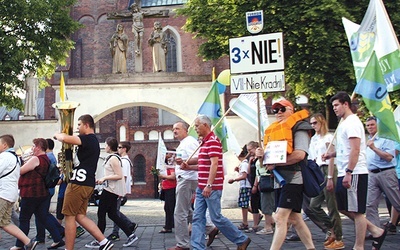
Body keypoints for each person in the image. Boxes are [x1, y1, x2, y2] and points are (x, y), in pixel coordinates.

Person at [322, 92, 386, 250]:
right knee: (343, 207)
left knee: (357, 211)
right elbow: (346, 149)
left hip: (355, 171)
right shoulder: (343, 123)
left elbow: (356, 150)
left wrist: (350, 172)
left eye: (337, 105)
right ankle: (376, 230)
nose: (334, 108)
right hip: (345, 170)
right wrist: (332, 154)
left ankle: (359, 246)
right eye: (333, 106)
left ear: (346, 104)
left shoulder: (352, 122)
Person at [256, 99, 315, 250]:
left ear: (292, 110)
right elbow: (266, 164)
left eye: (282, 109)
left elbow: (300, 155)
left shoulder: (300, 127)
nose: (279, 113)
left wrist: (276, 164)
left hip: (294, 177)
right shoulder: (275, 130)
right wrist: (262, 156)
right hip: (279, 179)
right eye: (275, 110)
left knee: (280, 217)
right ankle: (311, 248)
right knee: (296, 219)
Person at [187, 114, 251, 250]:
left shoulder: (213, 141)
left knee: (216, 218)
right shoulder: (204, 142)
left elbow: (214, 164)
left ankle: (242, 239)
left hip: (211, 188)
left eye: (197, 125)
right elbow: (203, 164)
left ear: (205, 125)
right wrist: (187, 165)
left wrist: (209, 185)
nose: (195, 128)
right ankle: (197, 247)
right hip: (201, 187)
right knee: (198, 218)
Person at [53, 114, 113, 250]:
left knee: (69, 216)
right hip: (86, 183)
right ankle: (104, 242)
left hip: (78, 183)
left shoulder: (88, 139)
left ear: (86, 125)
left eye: (79, 124)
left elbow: (64, 138)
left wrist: (58, 134)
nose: (77, 127)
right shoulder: (92, 141)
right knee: (80, 216)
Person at [85, 137, 138, 248]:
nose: (105, 147)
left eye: (106, 145)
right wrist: (103, 179)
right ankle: (130, 235)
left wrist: (104, 178)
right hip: (111, 188)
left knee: (101, 213)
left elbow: (119, 175)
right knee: (113, 214)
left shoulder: (113, 158)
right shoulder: (112, 158)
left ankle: (99, 239)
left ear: (109, 146)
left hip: (111, 190)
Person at [14, 138, 65, 250]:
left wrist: (23, 160)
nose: (32, 148)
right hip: (42, 193)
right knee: (43, 216)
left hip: (31, 193)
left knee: (24, 219)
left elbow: (21, 171)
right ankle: (57, 239)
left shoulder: (36, 159)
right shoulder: (46, 158)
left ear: (38, 147)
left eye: (34, 146)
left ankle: (20, 244)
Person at [307, 113, 344, 249]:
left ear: (321, 122)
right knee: (313, 205)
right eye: (311, 123)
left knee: (331, 205)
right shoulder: (313, 139)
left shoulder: (329, 137)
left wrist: (329, 177)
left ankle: (338, 236)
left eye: (315, 123)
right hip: (317, 170)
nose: (313, 126)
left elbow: (331, 158)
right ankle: (331, 229)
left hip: (328, 169)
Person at [0, 134, 38, 250]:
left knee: (4, 222)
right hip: (10, 194)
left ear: (5, 145)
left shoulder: (5, 156)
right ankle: (28, 242)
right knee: (5, 223)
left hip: (3, 193)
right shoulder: (15, 157)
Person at [364, 116, 400, 233]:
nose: (370, 127)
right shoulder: (369, 140)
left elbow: (389, 157)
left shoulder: (386, 138)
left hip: (386, 173)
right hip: (372, 174)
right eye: (368, 125)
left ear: (378, 125)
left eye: (372, 125)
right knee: (370, 205)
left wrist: (374, 148)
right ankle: (376, 232)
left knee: (396, 202)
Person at [167, 121, 199, 250]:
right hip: (184, 178)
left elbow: (199, 158)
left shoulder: (190, 142)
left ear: (185, 130)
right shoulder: (185, 143)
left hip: (187, 179)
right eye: (173, 129)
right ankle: (209, 227)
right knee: (188, 210)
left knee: (180, 213)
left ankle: (182, 244)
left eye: (177, 129)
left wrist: (184, 162)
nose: (175, 131)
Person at [35, 138, 65, 244]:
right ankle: (57, 231)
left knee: (42, 213)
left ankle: (42, 235)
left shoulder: (47, 157)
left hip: (46, 188)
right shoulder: (52, 156)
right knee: (43, 213)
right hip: (49, 188)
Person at [107, 140, 137, 241]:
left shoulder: (123, 161)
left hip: (118, 190)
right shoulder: (124, 160)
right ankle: (129, 224)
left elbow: (122, 177)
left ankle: (116, 233)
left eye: (119, 147)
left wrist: (120, 191)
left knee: (115, 212)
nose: (118, 149)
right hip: (119, 190)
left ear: (124, 149)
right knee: (114, 211)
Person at [228, 145, 251, 232]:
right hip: (244, 185)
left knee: (244, 204)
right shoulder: (243, 164)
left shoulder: (244, 164)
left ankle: (245, 222)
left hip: (245, 186)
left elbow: (244, 176)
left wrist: (234, 179)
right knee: (242, 203)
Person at [244, 141, 263, 233]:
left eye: (250, 150)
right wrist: (249, 162)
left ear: (255, 148)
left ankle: (271, 222)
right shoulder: (252, 159)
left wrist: (255, 185)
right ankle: (255, 225)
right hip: (252, 183)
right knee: (254, 204)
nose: (249, 152)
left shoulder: (260, 158)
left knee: (261, 204)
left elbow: (258, 173)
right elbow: (249, 171)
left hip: (258, 183)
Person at [254, 155, 275, 235]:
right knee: (265, 203)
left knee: (267, 204)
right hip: (263, 180)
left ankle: (268, 226)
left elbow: (264, 167)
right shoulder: (259, 157)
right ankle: (271, 223)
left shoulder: (266, 155)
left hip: (267, 179)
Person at [158, 150, 177, 233]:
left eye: (168, 154)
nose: (166, 155)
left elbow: (173, 176)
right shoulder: (167, 165)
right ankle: (169, 224)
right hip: (167, 187)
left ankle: (169, 225)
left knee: (170, 207)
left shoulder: (172, 166)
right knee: (167, 207)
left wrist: (163, 176)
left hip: (171, 187)